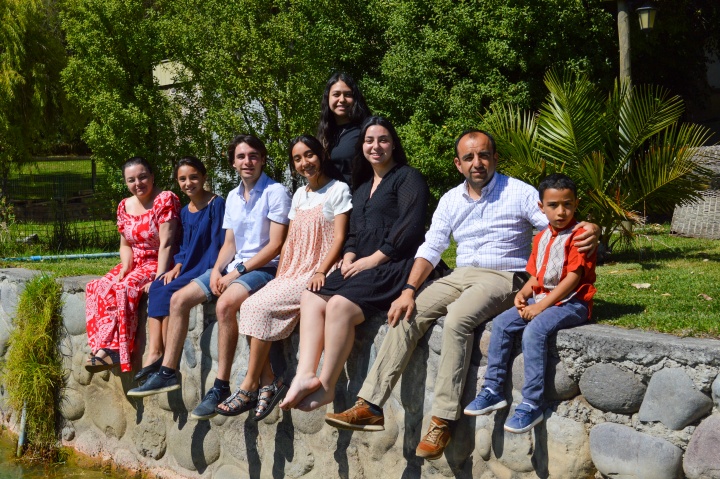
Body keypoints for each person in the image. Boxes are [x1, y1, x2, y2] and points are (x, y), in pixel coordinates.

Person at [324, 130, 599, 461]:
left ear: (495, 159)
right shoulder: (451, 200)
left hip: (504, 275)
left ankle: (443, 419)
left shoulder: (519, 192)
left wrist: (590, 229)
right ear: (458, 164)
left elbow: (559, 222)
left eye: (484, 155)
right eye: (469, 157)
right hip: (459, 274)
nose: (477, 163)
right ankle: (369, 405)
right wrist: (409, 290)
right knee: (407, 312)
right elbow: (432, 246)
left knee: (457, 320)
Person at [127, 135, 291, 423]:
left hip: (265, 268)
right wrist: (217, 270)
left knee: (225, 305)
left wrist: (236, 272)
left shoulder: (276, 192)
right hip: (234, 266)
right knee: (178, 299)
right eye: (241, 157)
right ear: (233, 162)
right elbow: (229, 243)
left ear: (263, 159)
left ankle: (221, 386)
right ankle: (167, 372)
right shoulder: (233, 196)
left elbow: (275, 245)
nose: (247, 162)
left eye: (253, 156)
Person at [280, 116, 429, 412]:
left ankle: (326, 385)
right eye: (369, 140)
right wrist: (349, 256)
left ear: (393, 144)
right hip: (361, 263)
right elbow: (354, 233)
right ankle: (304, 373)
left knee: (337, 305)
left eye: (383, 139)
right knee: (311, 295)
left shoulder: (408, 177)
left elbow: (410, 228)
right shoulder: (361, 189)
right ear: (362, 147)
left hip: (394, 264)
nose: (376, 146)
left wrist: (372, 259)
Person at [214, 135, 352, 420]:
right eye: (298, 159)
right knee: (252, 303)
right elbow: (289, 241)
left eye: (309, 155)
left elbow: (339, 238)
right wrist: (282, 273)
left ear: (321, 155)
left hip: (319, 267)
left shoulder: (337, 190)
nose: (304, 163)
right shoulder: (301, 194)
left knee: (259, 306)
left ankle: (250, 385)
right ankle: (269, 381)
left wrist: (320, 270)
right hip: (293, 267)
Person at [463, 173, 596, 434]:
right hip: (542, 298)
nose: (561, 211)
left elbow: (573, 278)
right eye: (553, 205)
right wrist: (524, 294)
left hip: (571, 303)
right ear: (541, 207)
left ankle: (532, 403)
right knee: (501, 323)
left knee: (535, 331)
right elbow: (536, 275)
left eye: (567, 204)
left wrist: (540, 307)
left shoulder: (579, 236)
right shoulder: (541, 237)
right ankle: (493, 389)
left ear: (576, 203)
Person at [132, 156, 226, 383]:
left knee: (172, 294)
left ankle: (165, 361)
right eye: (182, 179)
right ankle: (156, 353)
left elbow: (220, 240)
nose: (188, 183)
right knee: (158, 287)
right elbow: (183, 245)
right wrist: (178, 266)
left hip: (208, 266)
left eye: (194, 177)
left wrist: (214, 268)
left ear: (204, 177)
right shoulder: (185, 211)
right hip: (189, 265)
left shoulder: (216, 204)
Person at [85, 157, 180, 373]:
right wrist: (126, 266)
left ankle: (120, 351)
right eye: (131, 180)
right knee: (97, 287)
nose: (138, 183)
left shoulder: (165, 200)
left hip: (157, 261)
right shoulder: (124, 205)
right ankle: (106, 348)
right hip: (135, 262)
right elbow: (125, 244)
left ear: (152, 176)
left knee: (124, 288)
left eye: (142, 177)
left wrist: (158, 276)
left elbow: (167, 243)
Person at [317, 72, 371, 185]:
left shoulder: (365, 130)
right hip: (329, 199)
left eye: (347, 94)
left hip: (355, 198)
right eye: (336, 94)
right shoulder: (325, 132)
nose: (342, 99)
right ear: (328, 98)